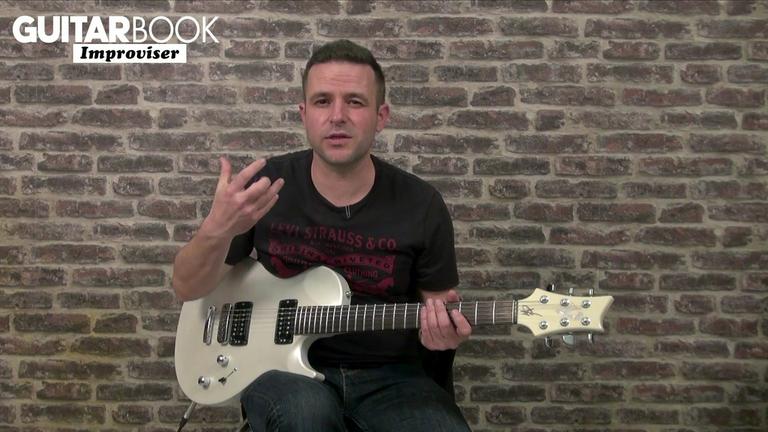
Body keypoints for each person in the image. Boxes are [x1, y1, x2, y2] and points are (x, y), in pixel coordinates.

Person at [172, 39, 472, 432]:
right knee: (305, 415)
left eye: (355, 102)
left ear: (381, 116)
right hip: (282, 375)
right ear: (304, 114)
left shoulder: (422, 204)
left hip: (392, 378)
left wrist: (442, 337)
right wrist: (216, 228)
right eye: (322, 101)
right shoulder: (267, 187)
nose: (337, 116)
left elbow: (439, 311)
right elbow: (186, 287)